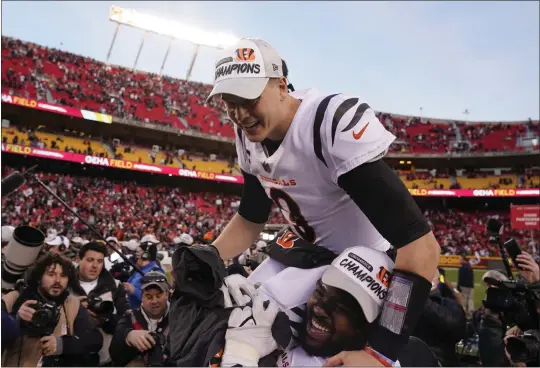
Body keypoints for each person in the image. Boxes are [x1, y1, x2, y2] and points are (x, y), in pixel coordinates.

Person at [208, 38, 440, 365]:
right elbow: (251, 217)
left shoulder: (326, 125)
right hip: (308, 252)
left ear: (281, 86)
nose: (239, 113)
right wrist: (210, 255)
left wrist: (381, 352)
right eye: (229, 101)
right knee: (232, 323)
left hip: (360, 265)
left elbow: (420, 246)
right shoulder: (247, 136)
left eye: (248, 98)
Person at [1, 253, 103, 366]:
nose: (58, 280)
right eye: (51, 274)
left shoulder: (72, 304)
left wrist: (61, 344)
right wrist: (15, 320)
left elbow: (95, 340)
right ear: (39, 277)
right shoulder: (14, 298)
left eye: (63, 275)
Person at [71, 241, 131, 366]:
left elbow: (126, 322)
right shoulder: (64, 284)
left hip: (104, 360)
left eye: (99, 261)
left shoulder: (115, 285)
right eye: (90, 260)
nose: (95, 265)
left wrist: (105, 320)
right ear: (78, 260)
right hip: (68, 358)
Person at [109, 271, 170, 367]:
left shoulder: (178, 319)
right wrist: (128, 336)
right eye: (149, 296)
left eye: (159, 296)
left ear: (167, 294)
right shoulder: (130, 317)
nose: (154, 301)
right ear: (141, 296)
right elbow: (115, 355)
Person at [412, 269, 467, 366]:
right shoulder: (407, 301)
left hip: (440, 361)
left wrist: (419, 298)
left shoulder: (449, 305)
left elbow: (455, 326)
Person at [124, 239, 164, 309]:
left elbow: (156, 299)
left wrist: (134, 290)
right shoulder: (139, 269)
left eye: (138, 253)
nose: (135, 256)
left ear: (146, 255)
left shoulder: (155, 272)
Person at [457, 254, 474, 318]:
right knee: (470, 299)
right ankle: (471, 312)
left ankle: (463, 311)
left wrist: (458, 286)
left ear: (464, 260)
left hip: (464, 286)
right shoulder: (469, 266)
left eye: (460, 259)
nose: (459, 260)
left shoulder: (462, 268)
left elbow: (460, 278)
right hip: (470, 286)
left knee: (464, 299)